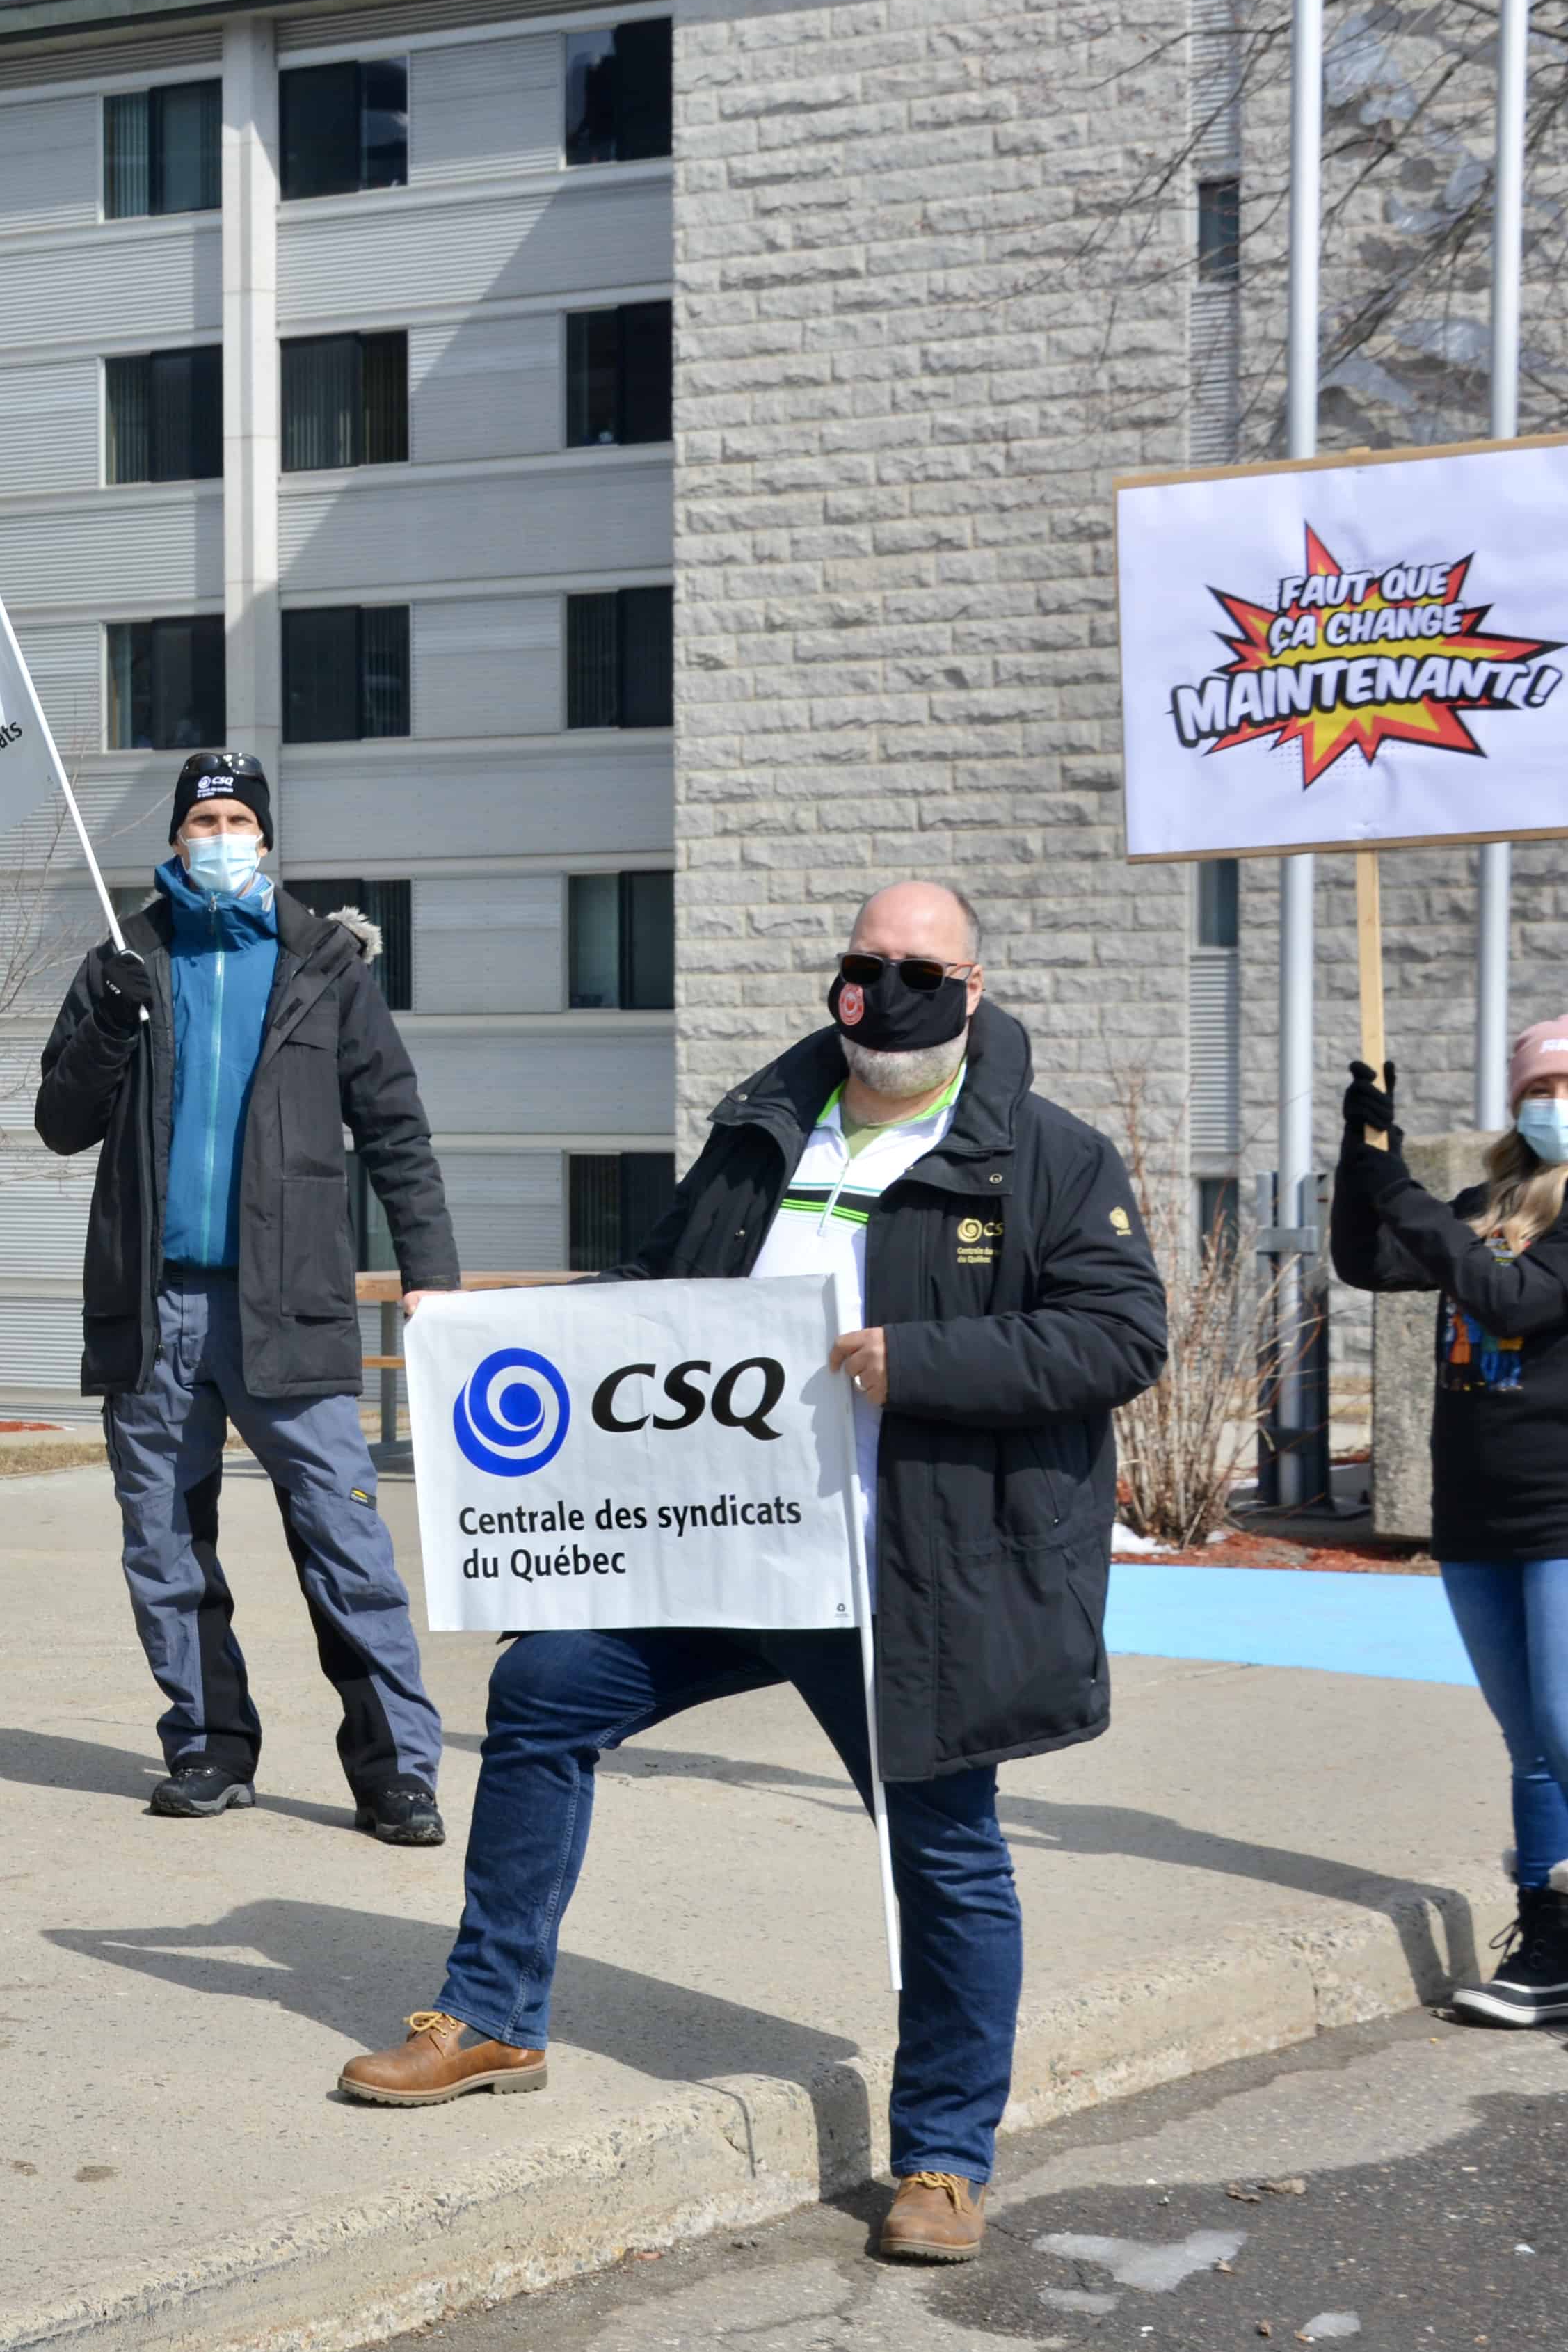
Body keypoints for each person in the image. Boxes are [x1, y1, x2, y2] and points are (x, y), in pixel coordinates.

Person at [334, 882, 1165, 2275]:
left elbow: (1120, 1336)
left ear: (974, 987)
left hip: (906, 1571)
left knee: (943, 1848)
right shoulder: (763, 1129)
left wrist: (924, 1361)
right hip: (721, 1540)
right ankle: (492, 2016)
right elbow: (653, 1294)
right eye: (865, 964)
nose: (886, 991)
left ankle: (946, 2156)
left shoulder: (1049, 1159)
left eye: (920, 970)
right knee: (544, 1692)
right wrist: (497, 1340)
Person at [32, 750, 459, 1845]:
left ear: (264, 840)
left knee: (346, 1543)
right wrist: (105, 1028)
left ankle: (396, 1773)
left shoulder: (326, 964)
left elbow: (396, 1128)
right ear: (176, 838)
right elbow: (61, 1123)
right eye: (201, 821)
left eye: (236, 821)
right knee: (165, 1548)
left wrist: (432, 1274)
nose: (218, 837)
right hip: (154, 1311)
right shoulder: (126, 959)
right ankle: (210, 1747)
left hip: (290, 1307)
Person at [1333, 1016, 1568, 2058]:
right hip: (1479, 1509)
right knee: (1532, 1744)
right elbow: (1368, 1260)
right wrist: (1364, 1156)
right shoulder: (1488, 1204)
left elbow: (1512, 1299)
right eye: (1544, 1089)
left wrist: (1403, 1190)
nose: (1560, 1106)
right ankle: (1550, 1956)